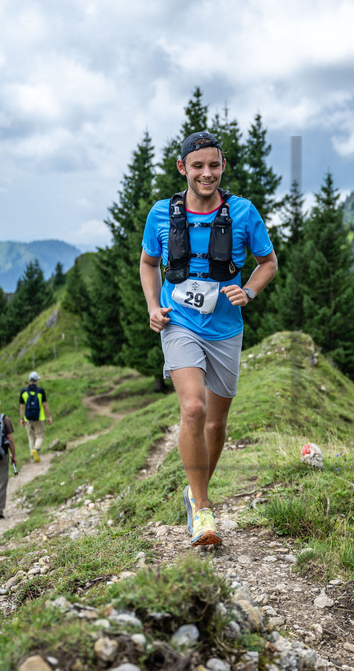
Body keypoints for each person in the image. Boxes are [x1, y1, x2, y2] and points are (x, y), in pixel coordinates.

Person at [140, 130, 277, 546]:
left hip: (226, 330)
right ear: (182, 168)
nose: (207, 173)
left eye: (214, 165)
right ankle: (202, 511)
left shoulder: (243, 213)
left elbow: (268, 263)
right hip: (179, 323)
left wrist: (248, 290)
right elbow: (148, 264)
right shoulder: (161, 214)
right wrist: (152, 305)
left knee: (217, 422)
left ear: (222, 167)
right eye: (197, 166)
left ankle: (195, 491)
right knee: (194, 409)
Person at [19, 371, 52, 463]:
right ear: (37, 380)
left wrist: (21, 418)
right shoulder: (40, 391)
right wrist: (49, 416)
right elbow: (45, 405)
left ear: (29, 380)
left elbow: (22, 407)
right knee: (40, 436)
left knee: (31, 437)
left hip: (28, 418)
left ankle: (32, 456)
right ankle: (36, 449)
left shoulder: (23, 392)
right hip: (39, 418)